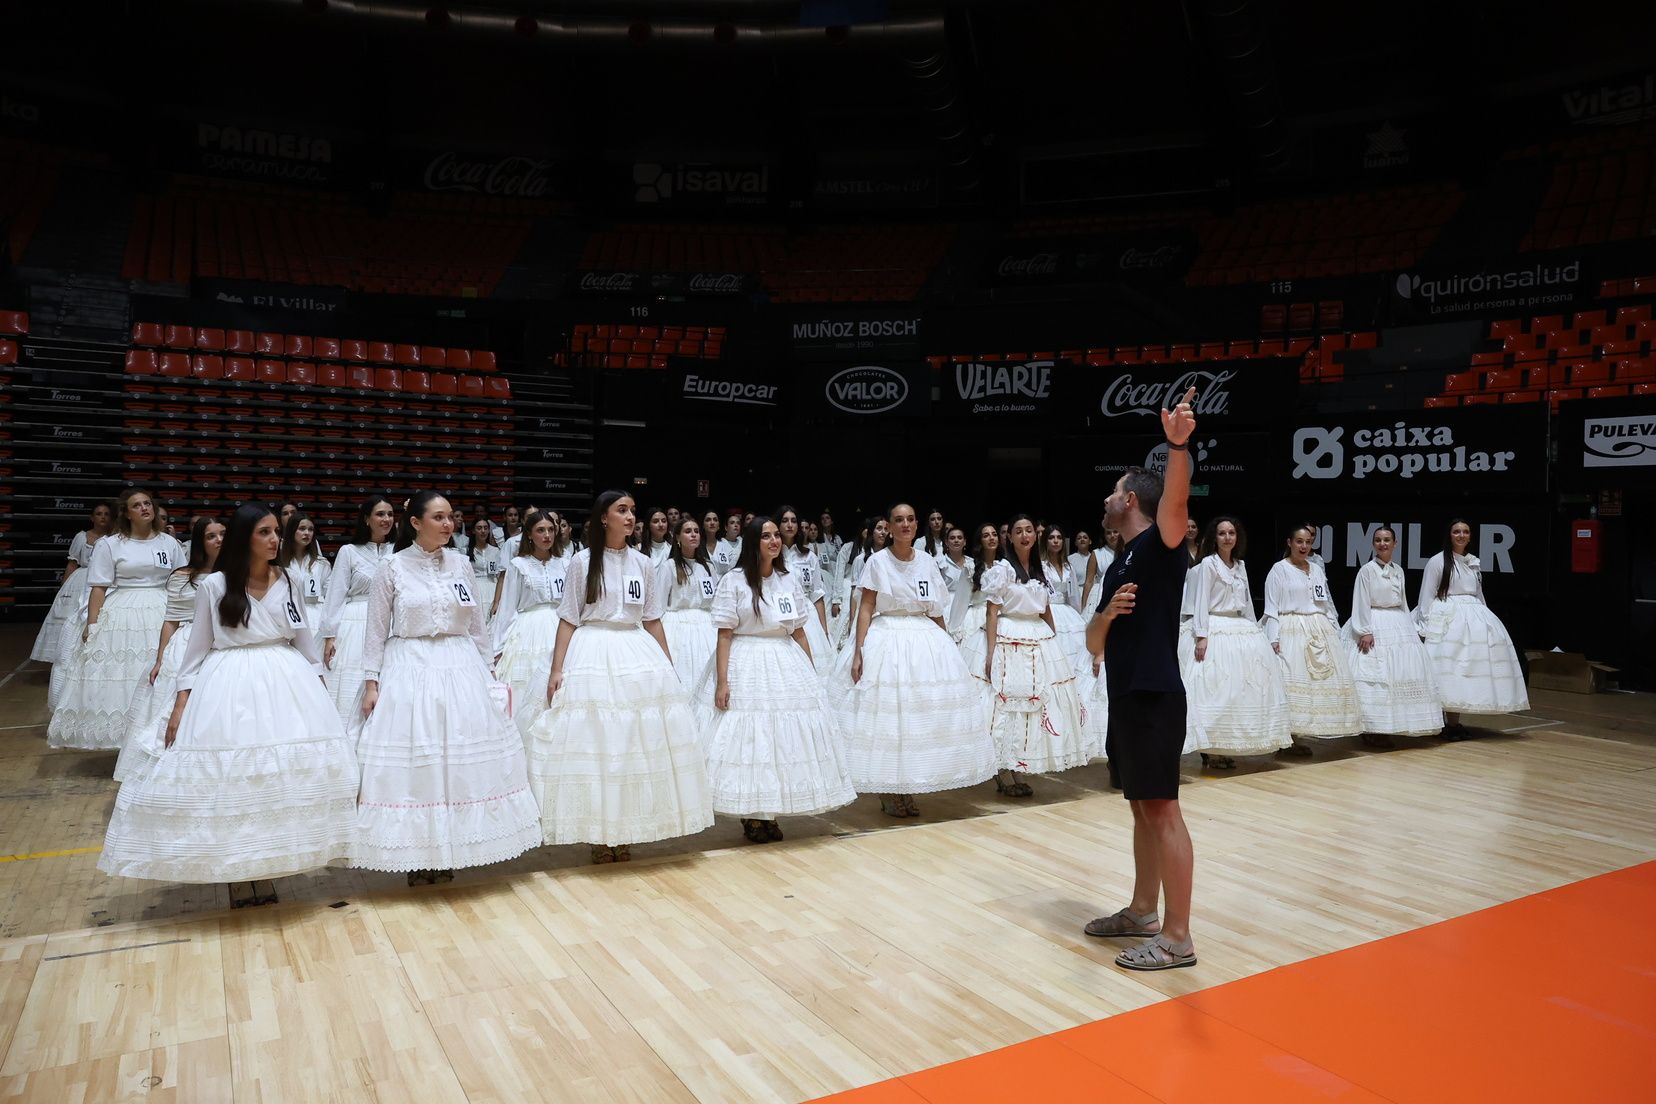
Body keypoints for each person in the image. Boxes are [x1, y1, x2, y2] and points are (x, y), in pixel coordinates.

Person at [98, 503, 358, 904]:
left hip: (284, 683)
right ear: (245, 538)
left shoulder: (287, 578)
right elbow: (196, 651)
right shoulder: (214, 586)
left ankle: (269, 867)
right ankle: (237, 871)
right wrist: (181, 705)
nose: (275, 540)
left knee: (277, 778)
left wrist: (320, 685)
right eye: (265, 533)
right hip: (229, 685)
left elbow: (304, 640)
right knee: (233, 779)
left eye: (276, 532)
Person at [353, 491, 542, 884]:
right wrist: (372, 683)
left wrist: (490, 671)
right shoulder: (392, 568)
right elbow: (374, 633)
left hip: (460, 667)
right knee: (419, 763)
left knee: (459, 761)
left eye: (450, 518)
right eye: (438, 518)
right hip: (411, 666)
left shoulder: (460, 563)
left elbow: (474, 623)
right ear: (416, 523)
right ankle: (419, 854)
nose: (447, 524)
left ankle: (453, 847)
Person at [527, 491, 713, 863]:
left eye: (632, 512)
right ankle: (599, 832)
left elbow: (653, 618)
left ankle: (626, 828)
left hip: (636, 651)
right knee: (599, 744)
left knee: (633, 746)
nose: (630, 518)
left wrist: (669, 666)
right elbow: (568, 617)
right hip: (593, 652)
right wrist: (557, 669)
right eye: (622, 511)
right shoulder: (581, 562)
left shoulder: (643, 563)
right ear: (603, 519)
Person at [1081, 386, 1199, 972]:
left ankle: (1177, 938)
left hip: (1154, 694)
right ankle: (1141, 912)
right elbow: (1092, 643)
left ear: (1129, 500)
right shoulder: (1117, 564)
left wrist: (1178, 447)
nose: (1104, 499)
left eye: (1112, 492)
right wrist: (1104, 616)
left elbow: (1174, 505)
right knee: (1140, 808)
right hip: (1124, 696)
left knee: (1163, 810)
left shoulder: (1161, 544)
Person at [694, 516, 855, 843]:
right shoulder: (735, 581)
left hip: (784, 659)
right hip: (747, 658)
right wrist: (722, 682)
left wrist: (811, 673)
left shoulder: (787, 579)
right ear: (754, 542)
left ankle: (771, 810)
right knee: (751, 741)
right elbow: (724, 635)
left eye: (776, 536)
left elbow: (798, 631)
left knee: (782, 741)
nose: (774, 541)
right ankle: (752, 813)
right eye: (766, 536)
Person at [830, 502, 996, 818]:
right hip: (887, 636)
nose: (904, 525)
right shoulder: (877, 562)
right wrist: (858, 651)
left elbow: (935, 609)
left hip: (923, 639)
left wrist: (947, 645)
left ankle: (908, 785)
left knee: (917, 716)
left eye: (909, 520)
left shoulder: (928, 563)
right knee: (888, 718)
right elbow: (866, 607)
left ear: (917, 525)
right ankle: (889, 789)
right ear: (889, 527)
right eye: (898, 520)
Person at [49, 487, 185, 750]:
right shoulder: (110, 544)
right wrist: (93, 624)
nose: (145, 508)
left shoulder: (169, 543)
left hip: (163, 607)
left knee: (165, 669)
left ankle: (160, 738)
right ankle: (126, 741)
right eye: (137, 505)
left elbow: (179, 579)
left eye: (148, 503)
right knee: (123, 674)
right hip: (123, 610)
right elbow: (98, 587)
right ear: (126, 513)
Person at [966, 515, 1088, 798]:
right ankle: (1001, 770)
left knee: (1031, 709)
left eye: (1029, 531)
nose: (1024, 535)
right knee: (1005, 706)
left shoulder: (1039, 569)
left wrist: (1054, 640)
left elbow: (1046, 609)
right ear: (1011, 537)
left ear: (1036, 536)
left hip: (1037, 637)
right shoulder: (1003, 569)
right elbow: (992, 611)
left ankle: (1017, 765)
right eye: (1018, 531)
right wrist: (990, 650)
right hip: (1009, 638)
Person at [113, 514, 225, 784]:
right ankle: (163, 775)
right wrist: (160, 658)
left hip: (221, 645)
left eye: (223, 534)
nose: (219, 540)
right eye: (211, 536)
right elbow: (170, 620)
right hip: (186, 643)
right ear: (200, 542)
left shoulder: (236, 575)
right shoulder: (181, 577)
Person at [1180, 517, 1292, 768]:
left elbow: (1248, 601)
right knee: (1216, 689)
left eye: (1231, 533)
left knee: (1242, 689)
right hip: (1216, 627)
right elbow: (1200, 602)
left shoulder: (1239, 565)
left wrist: (1256, 630)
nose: (1227, 537)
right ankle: (1211, 748)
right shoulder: (1208, 564)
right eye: (1222, 533)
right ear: (1214, 538)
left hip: (1240, 628)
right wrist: (1201, 636)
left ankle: (1229, 744)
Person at [1414, 519, 1529, 737]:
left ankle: (1453, 723)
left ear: (1470, 536)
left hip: (1472, 617)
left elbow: (1478, 593)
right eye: (1456, 531)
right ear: (1449, 535)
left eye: (1465, 532)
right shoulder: (1438, 561)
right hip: (1447, 618)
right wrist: (1424, 625)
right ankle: (1438, 720)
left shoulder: (1472, 563)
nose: (1461, 535)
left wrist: (1486, 619)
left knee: (1463, 670)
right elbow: (1427, 594)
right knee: (1445, 668)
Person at [1262, 524, 1362, 753]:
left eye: (1308, 542)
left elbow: (1324, 602)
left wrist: (1334, 629)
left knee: (1317, 683)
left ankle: (1302, 734)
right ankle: (1288, 737)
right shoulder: (1279, 569)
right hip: (1292, 628)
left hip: (1318, 628)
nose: (1304, 546)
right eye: (1299, 541)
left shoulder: (1316, 570)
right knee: (1292, 679)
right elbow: (1272, 607)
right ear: (1289, 543)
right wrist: (1273, 638)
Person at [1341, 526, 1445, 744]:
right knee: (1374, 675)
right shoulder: (1367, 570)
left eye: (1387, 540)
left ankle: (1392, 725)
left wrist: (1410, 627)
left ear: (1395, 543)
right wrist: (1364, 631)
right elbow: (1360, 601)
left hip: (1397, 622)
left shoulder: (1398, 570)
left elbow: (1403, 601)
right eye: (1378, 540)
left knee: (1399, 673)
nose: (1382, 544)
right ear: (1373, 544)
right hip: (1374, 620)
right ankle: (1371, 729)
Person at [491, 508, 570, 743]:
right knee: (527, 687)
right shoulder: (518, 565)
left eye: (550, 530)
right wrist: (498, 648)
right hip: (528, 629)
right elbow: (507, 608)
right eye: (540, 530)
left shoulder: (565, 564)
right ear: (529, 535)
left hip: (559, 626)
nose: (546, 535)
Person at [320, 496, 396, 729]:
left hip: (391, 621)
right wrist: (329, 635)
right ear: (366, 519)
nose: (386, 519)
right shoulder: (349, 551)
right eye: (380, 514)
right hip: (355, 622)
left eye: (390, 514)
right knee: (349, 684)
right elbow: (335, 594)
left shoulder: (399, 551)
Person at [32, 501, 114, 676]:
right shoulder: (82, 537)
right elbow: (72, 563)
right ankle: (64, 662)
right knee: (70, 619)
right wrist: (64, 590)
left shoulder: (112, 538)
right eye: (99, 513)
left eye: (106, 514)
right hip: (79, 580)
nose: (103, 517)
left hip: (101, 581)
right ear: (92, 518)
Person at [655, 516, 718, 689]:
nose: (693, 535)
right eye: (688, 531)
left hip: (707, 624)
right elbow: (659, 603)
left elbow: (714, 600)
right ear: (677, 537)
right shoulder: (669, 566)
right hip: (677, 624)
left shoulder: (708, 567)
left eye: (696, 531)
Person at [777, 504, 836, 678]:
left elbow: (817, 594)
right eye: (785, 521)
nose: (790, 525)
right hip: (779, 611)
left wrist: (824, 630)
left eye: (793, 521)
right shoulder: (771, 554)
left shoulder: (809, 556)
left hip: (806, 614)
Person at [279, 510, 331, 611]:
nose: (307, 533)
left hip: (317, 614)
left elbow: (330, 595)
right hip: (288, 613)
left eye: (310, 529)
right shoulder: (279, 563)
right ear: (292, 531)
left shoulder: (322, 563)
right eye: (302, 529)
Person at [936, 523, 975, 642]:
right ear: (946, 542)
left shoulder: (973, 563)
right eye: (952, 538)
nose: (956, 540)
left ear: (965, 542)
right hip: (948, 605)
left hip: (969, 605)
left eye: (959, 538)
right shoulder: (939, 563)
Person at [710, 511, 744, 578]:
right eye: (732, 523)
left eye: (738, 523)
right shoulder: (719, 544)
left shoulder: (743, 543)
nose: (736, 525)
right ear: (726, 527)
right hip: (724, 579)